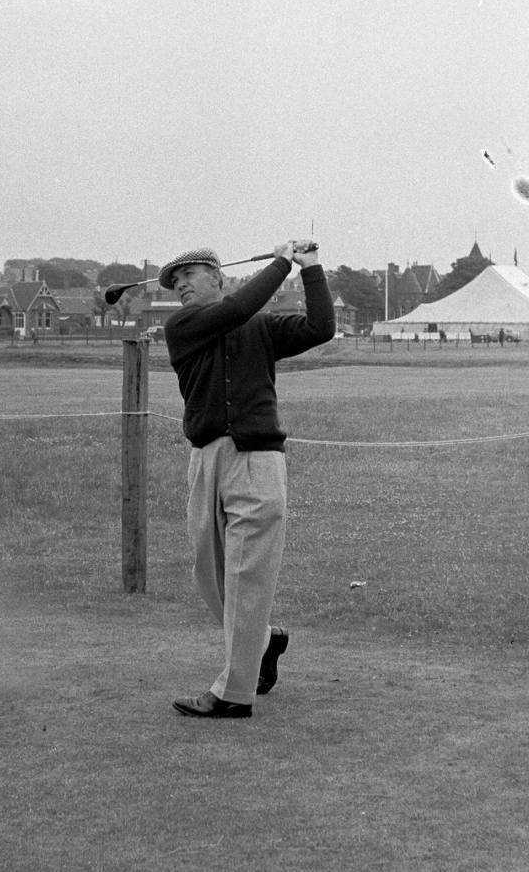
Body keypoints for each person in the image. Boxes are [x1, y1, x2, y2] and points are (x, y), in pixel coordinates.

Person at [161, 240, 335, 718]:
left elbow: (322, 326)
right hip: (206, 459)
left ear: (217, 276)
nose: (179, 287)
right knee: (209, 572)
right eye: (174, 283)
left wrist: (311, 268)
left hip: (257, 460)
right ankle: (263, 642)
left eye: (187, 275)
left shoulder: (259, 326)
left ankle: (234, 693)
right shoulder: (182, 326)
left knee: (246, 575)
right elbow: (238, 308)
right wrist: (283, 262)